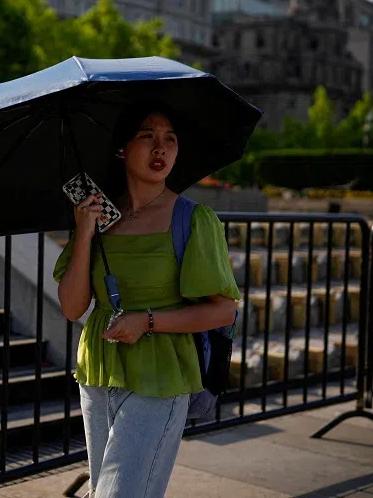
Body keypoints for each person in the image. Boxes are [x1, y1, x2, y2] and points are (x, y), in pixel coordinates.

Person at [53, 100, 241, 498]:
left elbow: (224, 308)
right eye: (147, 136)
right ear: (122, 149)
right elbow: (72, 307)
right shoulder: (97, 216)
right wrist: (84, 233)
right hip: (98, 370)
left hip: (163, 372)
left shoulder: (192, 218)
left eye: (169, 140)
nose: (161, 149)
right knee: (110, 489)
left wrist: (147, 321)